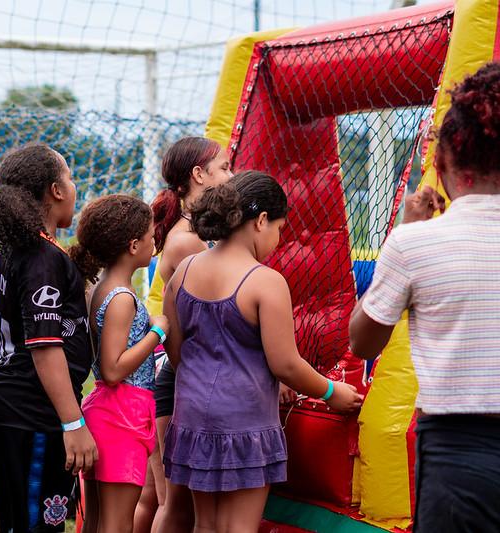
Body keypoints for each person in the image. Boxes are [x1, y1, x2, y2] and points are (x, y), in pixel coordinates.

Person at [162, 171, 363, 533]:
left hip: (192, 415)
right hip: (245, 424)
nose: (279, 239)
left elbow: (174, 349)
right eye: (280, 229)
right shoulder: (265, 281)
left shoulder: (185, 270)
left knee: (205, 525)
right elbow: (285, 363)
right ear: (261, 221)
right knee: (238, 527)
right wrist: (333, 392)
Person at [349, 61, 500, 533]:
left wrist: (406, 235)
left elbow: (363, 343)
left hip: (460, 452)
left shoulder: (415, 244)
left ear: (442, 164)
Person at [0, 144, 97, 532]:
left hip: (17, 409)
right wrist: (73, 424)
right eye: (69, 177)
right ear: (55, 190)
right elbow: (45, 347)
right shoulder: (39, 255)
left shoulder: (26, 247)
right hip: (31, 412)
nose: (74, 186)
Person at [145, 136, 234, 533]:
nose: (231, 176)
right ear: (198, 176)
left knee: (166, 500)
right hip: (180, 383)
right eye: (224, 168)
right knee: (175, 505)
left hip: (191, 378)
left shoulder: (203, 233)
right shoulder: (188, 242)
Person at [68, 194, 169, 533]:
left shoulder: (100, 288)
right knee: (118, 524)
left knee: (96, 521)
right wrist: (157, 332)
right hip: (122, 416)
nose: (155, 238)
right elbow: (112, 369)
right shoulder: (122, 298)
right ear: (132, 244)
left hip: (106, 413)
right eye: (151, 234)